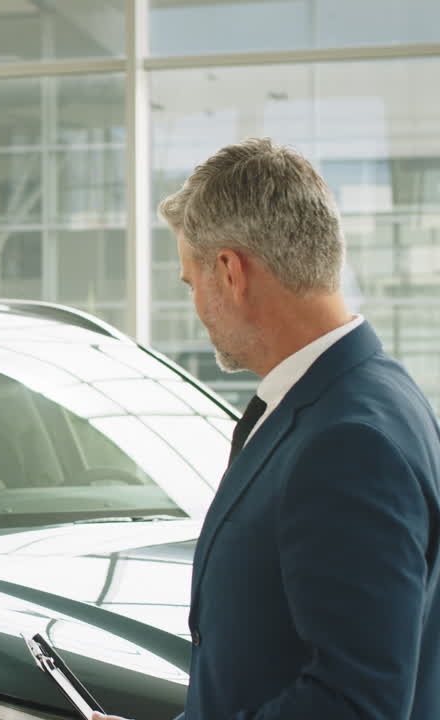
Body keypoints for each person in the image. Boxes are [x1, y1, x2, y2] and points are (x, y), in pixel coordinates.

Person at [97, 138, 440, 720]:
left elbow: (354, 705)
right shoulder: (375, 392)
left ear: (229, 271)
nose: (196, 306)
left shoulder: (347, 442)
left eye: (190, 282)